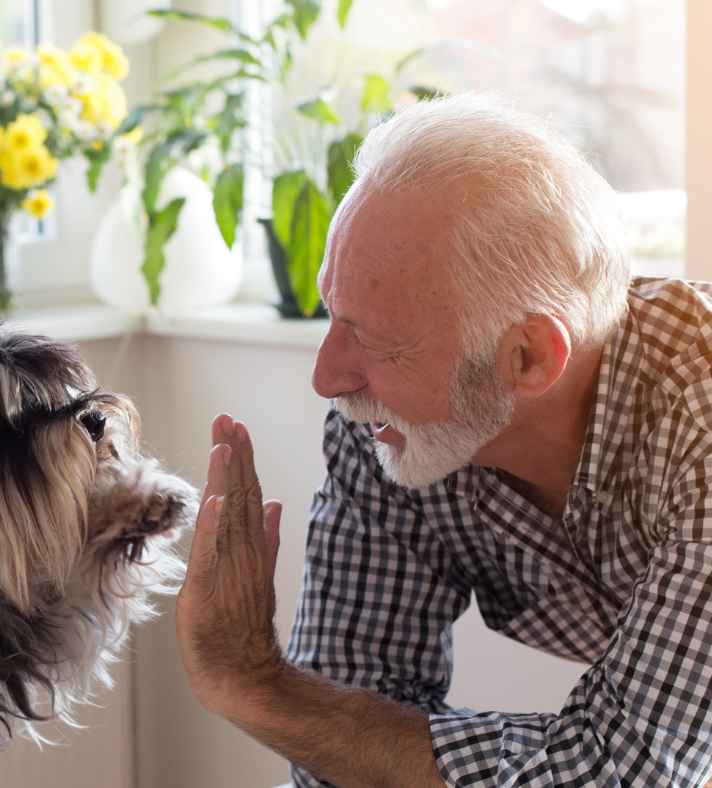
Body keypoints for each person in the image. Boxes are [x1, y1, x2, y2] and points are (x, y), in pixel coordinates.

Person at [173, 92, 712, 788]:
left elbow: (619, 773)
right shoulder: (394, 428)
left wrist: (254, 686)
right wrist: (289, 705)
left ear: (529, 359)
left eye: (373, 338)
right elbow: (335, 754)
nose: (327, 378)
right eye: (333, 315)